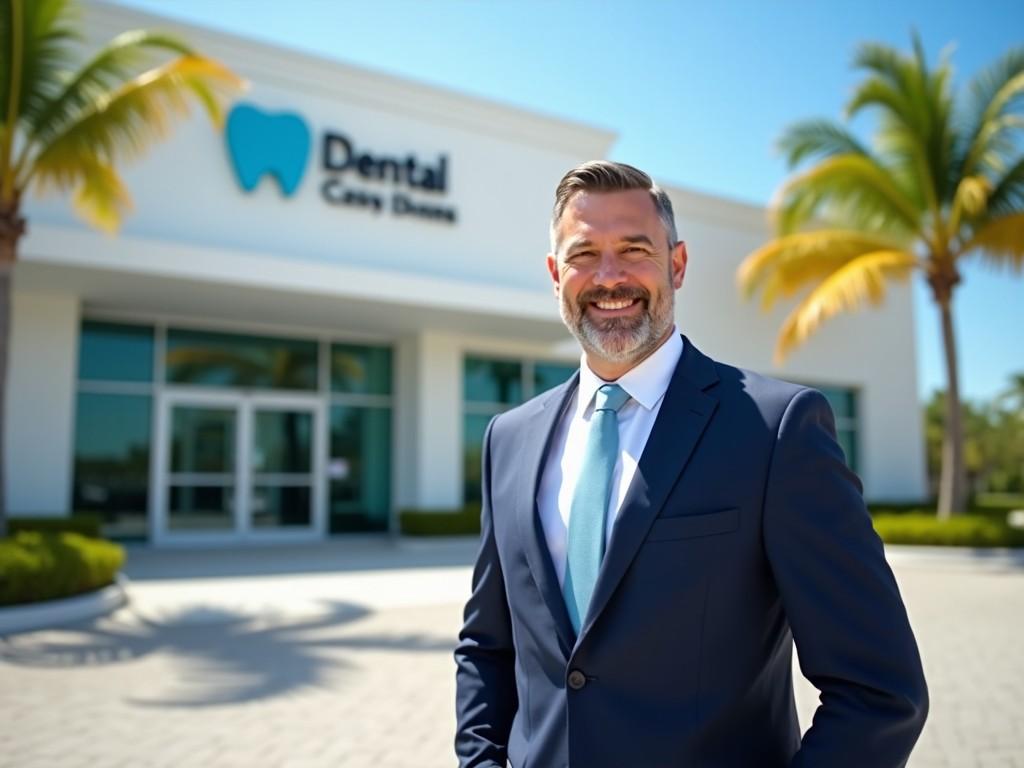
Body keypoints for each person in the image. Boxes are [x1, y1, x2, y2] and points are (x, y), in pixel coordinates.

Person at [454, 160, 928, 768]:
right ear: (554, 275)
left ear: (677, 264)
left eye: (634, 249)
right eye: (583, 255)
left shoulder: (773, 430)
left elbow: (881, 692)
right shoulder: (509, 440)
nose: (609, 276)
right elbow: (486, 647)